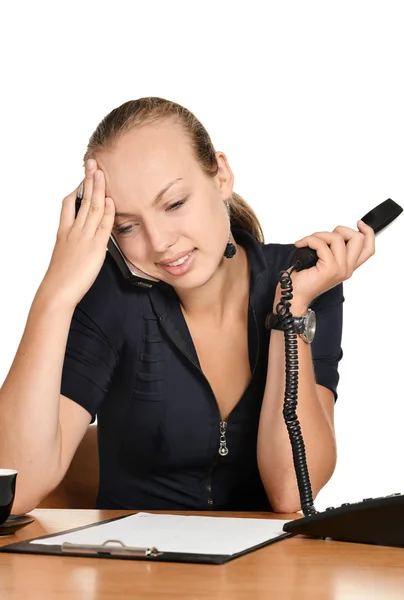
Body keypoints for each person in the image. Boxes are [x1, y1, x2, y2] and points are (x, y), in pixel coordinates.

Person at [0, 97, 375, 515]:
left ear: (221, 177)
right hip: (134, 571)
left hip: (266, 575)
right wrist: (55, 293)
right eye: (127, 226)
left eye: (175, 204)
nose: (159, 242)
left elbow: (290, 490)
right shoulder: (110, 297)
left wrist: (291, 312)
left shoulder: (304, 281)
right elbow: (17, 485)